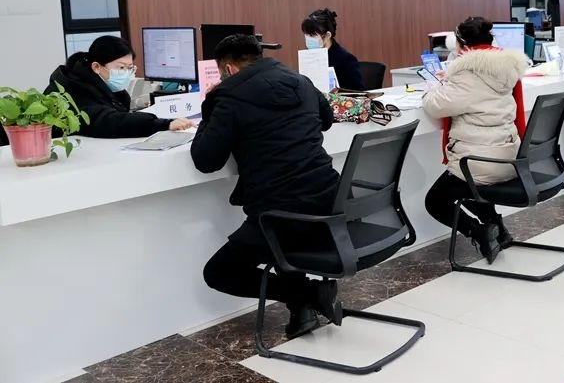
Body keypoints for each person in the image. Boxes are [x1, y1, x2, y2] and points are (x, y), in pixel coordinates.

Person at [191, 34, 341, 340]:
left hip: (279, 216)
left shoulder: (229, 96)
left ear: (229, 69)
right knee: (281, 238)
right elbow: (326, 120)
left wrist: (209, 107)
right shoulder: (298, 80)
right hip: (330, 204)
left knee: (218, 272)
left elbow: (205, 160)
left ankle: (309, 294)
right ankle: (303, 307)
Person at [422, 17, 527, 264]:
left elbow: (434, 105)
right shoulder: (507, 68)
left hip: (479, 162)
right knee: (469, 185)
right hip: (510, 158)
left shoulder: (467, 73)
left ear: (461, 45)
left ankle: (478, 232)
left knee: (436, 201)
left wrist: (433, 87)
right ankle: (497, 227)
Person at [44, 35, 192, 138]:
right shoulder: (74, 88)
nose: (126, 73)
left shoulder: (105, 86)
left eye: (130, 68)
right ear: (96, 67)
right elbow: (108, 121)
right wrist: (163, 124)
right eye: (121, 68)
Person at [301, 8, 365, 91]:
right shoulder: (309, 58)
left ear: (328, 35)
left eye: (313, 35)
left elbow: (357, 91)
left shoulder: (346, 59)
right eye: (306, 35)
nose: (308, 39)